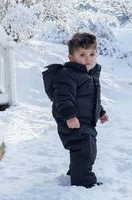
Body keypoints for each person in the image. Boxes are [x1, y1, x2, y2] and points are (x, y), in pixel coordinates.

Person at [44, 32, 109, 188]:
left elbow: (90, 99)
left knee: (86, 149)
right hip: (72, 122)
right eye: (82, 54)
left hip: (85, 122)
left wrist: (101, 112)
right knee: (85, 150)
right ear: (71, 57)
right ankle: (83, 181)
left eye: (92, 54)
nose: (88, 58)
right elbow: (63, 98)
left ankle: (75, 173)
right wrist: (70, 116)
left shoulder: (89, 76)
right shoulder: (68, 75)